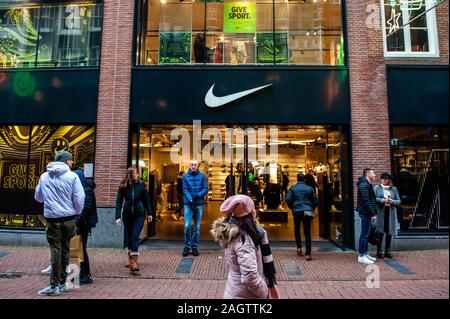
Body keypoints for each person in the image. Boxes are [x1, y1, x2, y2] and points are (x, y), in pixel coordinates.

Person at [34, 151, 85, 296]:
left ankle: (54, 285)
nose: (72, 163)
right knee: (66, 250)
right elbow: (79, 198)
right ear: (65, 161)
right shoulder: (72, 176)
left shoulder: (44, 176)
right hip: (69, 219)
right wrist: (76, 212)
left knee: (55, 251)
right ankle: (62, 283)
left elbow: (38, 197)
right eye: (70, 160)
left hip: (52, 220)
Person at [211, 195, 277, 299]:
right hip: (245, 294)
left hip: (237, 290)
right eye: (253, 208)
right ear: (250, 213)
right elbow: (250, 275)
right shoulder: (243, 239)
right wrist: (263, 290)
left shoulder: (239, 233)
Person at [115, 167, 153, 272]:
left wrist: (150, 213)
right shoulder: (123, 186)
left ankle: (134, 261)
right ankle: (130, 259)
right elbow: (118, 202)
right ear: (130, 175)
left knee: (135, 236)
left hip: (139, 214)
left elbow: (147, 200)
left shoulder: (141, 185)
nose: (137, 175)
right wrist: (117, 216)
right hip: (127, 214)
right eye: (135, 173)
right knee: (129, 237)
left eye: (137, 173)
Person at [285, 173, 319, 261]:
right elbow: (316, 200)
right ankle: (308, 253)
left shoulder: (293, 188)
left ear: (297, 179)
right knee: (307, 231)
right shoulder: (310, 188)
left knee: (297, 228)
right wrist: (312, 208)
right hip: (307, 210)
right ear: (304, 180)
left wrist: (291, 207)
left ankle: (299, 247)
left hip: (296, 211)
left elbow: (288, 199)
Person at [74, 169, 98, 285]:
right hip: (81, 222)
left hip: (84, 223)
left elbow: (87, 208)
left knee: (81, 248)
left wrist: (77, 221)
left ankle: (86, 275)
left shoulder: (87, 190)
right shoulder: (82, 188)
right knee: (78, 248)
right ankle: (80, 273)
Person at [182, 159, 208, 257]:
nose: (193, 166)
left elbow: (205, 188)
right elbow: (184, 189)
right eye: (191, 165)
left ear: (197, 166)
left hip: (199, 204)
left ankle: (194, 246)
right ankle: (187, 246)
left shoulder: (202, 176)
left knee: (197, 227)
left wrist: (197, 195)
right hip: (188, 204)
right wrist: (190, 199)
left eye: (195, 165)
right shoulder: (185, 176)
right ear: (189, 166)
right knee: (187, 226)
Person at [375, 173, 401, 259]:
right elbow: (374, 198)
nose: (383, 180)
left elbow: (399, 201)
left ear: (389, 180)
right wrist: (383, 200)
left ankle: (387, 250)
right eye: (382, 178)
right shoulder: (377, 188)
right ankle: (379, 250)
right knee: (380, 232)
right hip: (381, 213)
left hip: (390, 213)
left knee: (389, 232)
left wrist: (392, 201)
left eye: (385, 179)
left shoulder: (394, 189)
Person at [356, 168, 378, 265]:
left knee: (366, 234)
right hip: (365, 212)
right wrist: (372, 213)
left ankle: (365, 253)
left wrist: (372, 213)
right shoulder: (364, 185)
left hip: (367, 212)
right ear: (368, 174)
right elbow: (366, 201)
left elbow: (370, 200)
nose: (375, 175)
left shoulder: (367, 184)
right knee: (364, 234)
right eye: (373, 173)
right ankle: (361, 256)